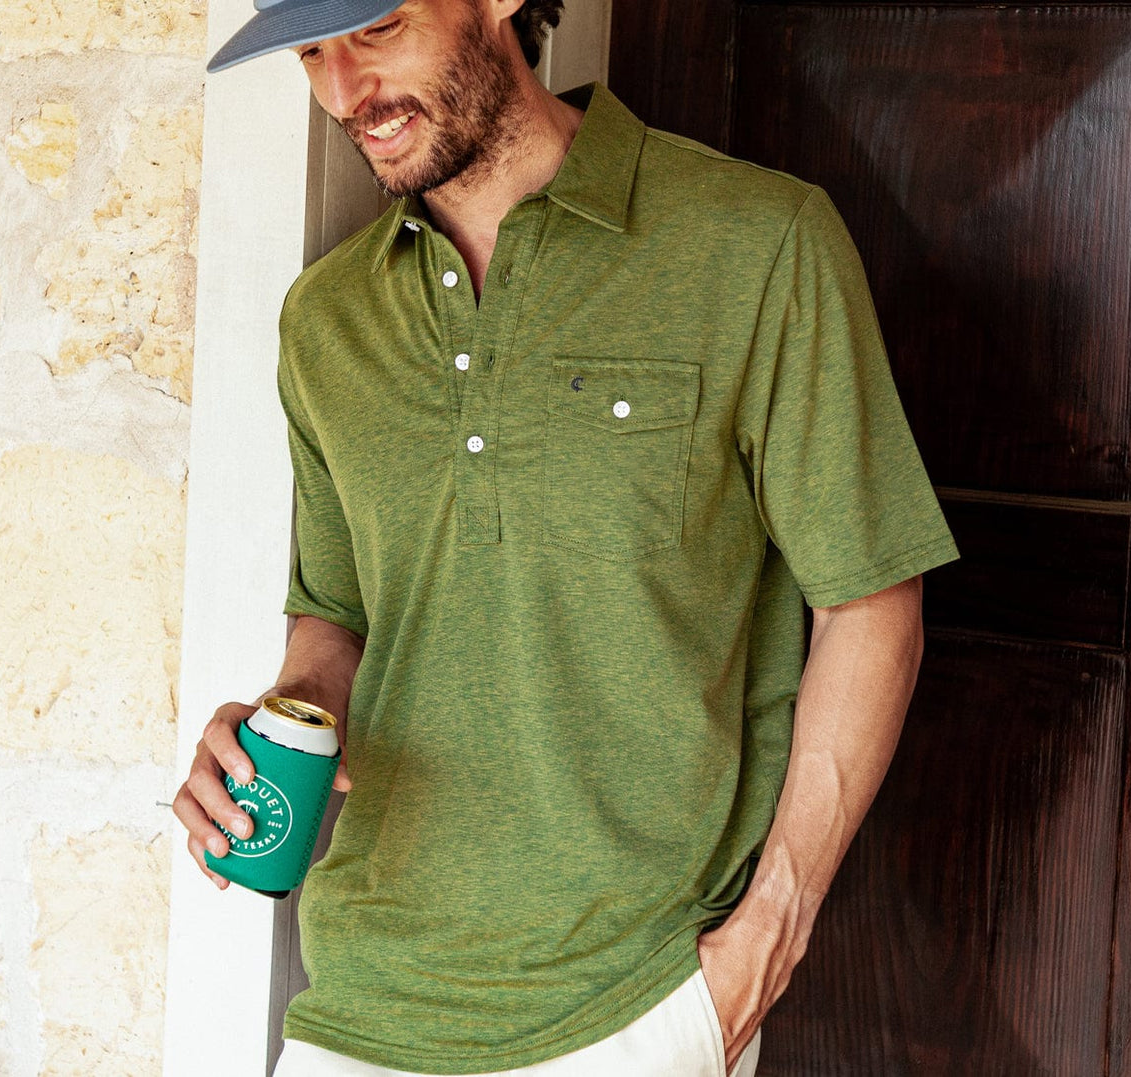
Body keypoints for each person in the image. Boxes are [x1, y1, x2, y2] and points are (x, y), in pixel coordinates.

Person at [172, 0, 959, 1073]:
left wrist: (765, 938)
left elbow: (868, 602)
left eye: (377, 27)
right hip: (360, 993)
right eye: (311, 51)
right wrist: (277, 729)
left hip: (633, 998)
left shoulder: (757, 244)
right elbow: (338, 618)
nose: (345, 92)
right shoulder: (326, 319)